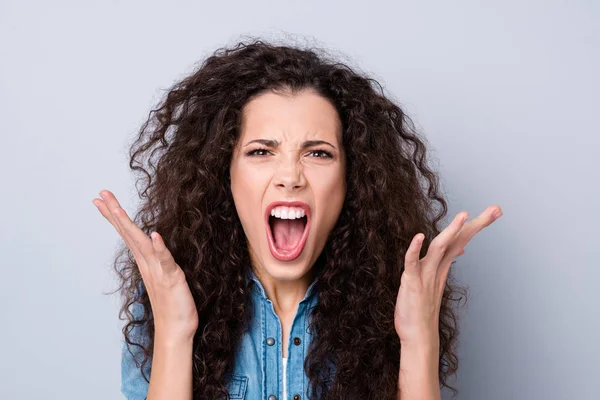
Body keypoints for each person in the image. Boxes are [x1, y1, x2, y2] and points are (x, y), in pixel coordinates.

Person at [92, 38, 502, 400]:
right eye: (260, 151)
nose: (290, 176)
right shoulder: (165, 309)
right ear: (226, 174)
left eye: (318, 153)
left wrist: (417, 339)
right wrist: (175, 334)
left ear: (350, 178)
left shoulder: (391, 306)